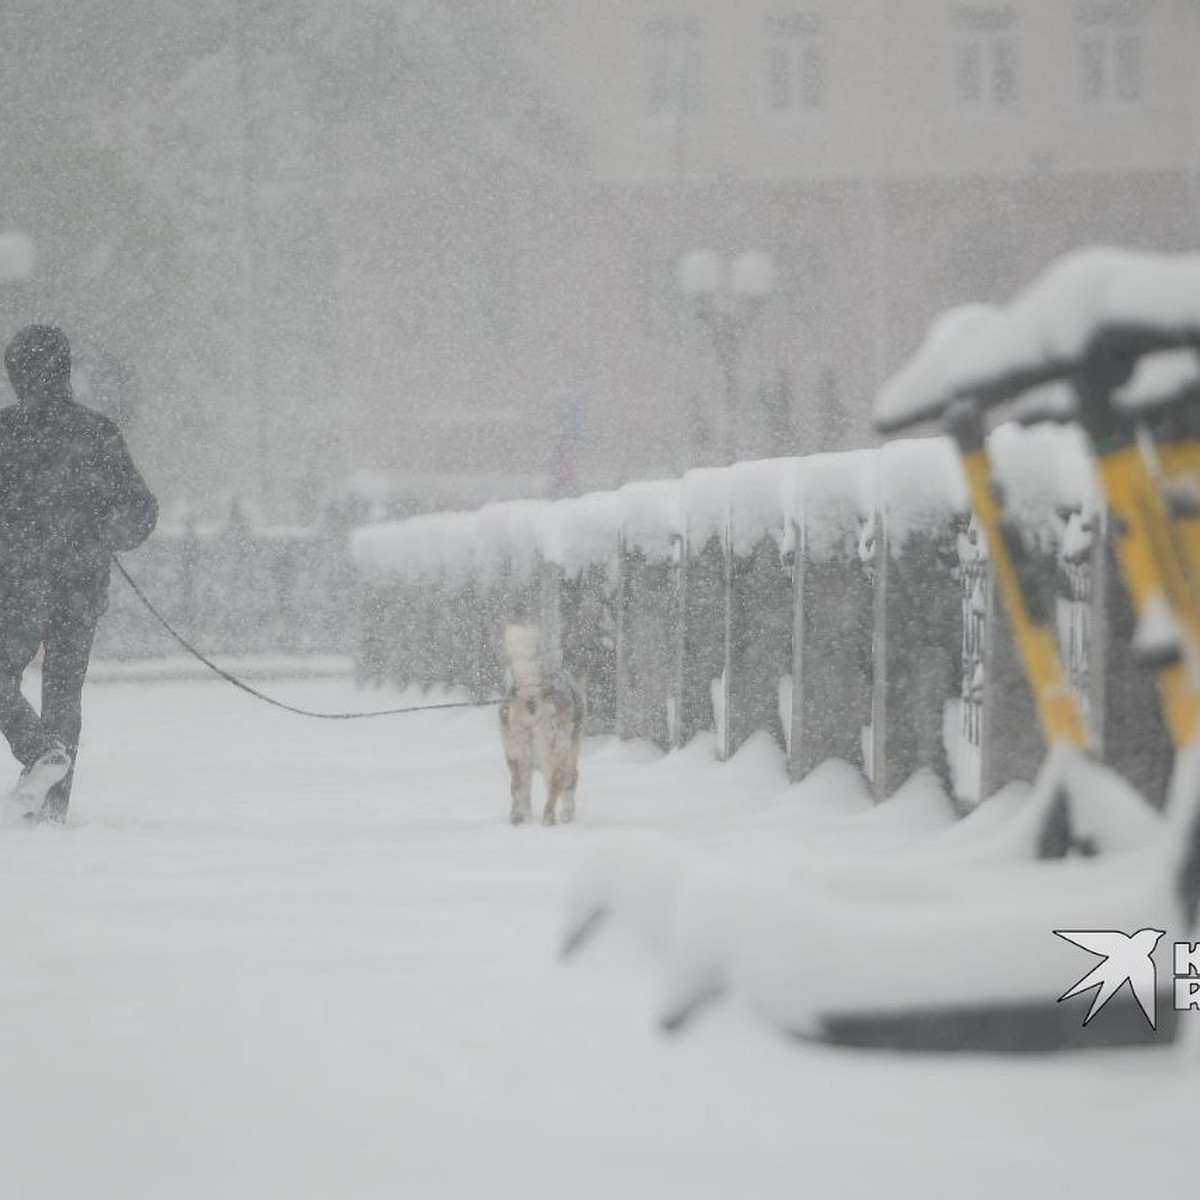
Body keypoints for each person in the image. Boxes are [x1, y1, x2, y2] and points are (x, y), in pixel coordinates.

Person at [0, 325, 158, 822]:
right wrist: (105, 531)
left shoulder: (4, 432)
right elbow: (141, 508)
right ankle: (51, 805)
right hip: (81, 585)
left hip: (18, 583)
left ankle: (38, 749)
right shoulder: (97, 432)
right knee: (64, 691)